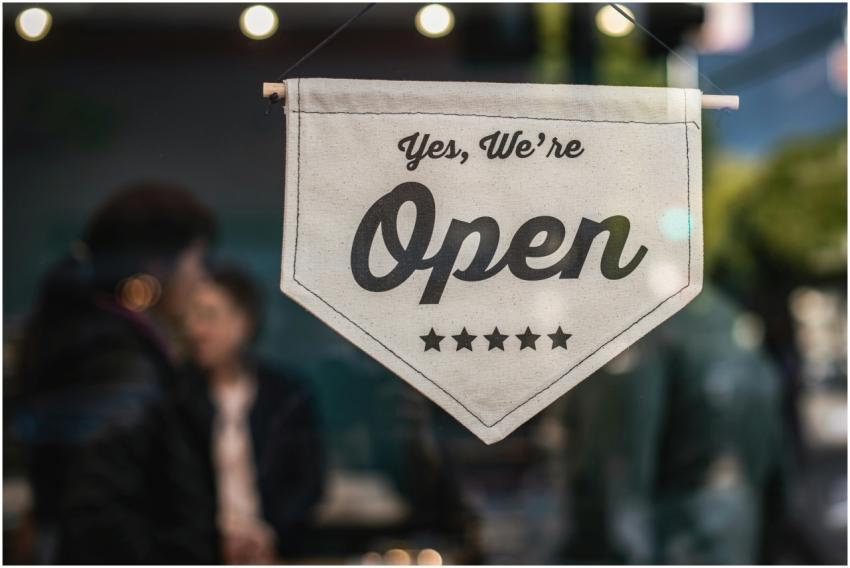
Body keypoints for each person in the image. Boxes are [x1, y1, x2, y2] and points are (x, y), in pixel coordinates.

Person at [14, 182, 220, 563]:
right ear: (159, 264)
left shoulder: (91, 337)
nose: (202, 279)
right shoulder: (115, 360)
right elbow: (99, 508)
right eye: (197, 261)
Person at [182, 264, 325, 564]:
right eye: (192, 317)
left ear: (242, 321)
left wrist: (269, 534)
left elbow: (308, 483)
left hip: (274, 552)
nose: (196, 330)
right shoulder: (177, 396)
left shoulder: (288, 395)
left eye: (208, 316)